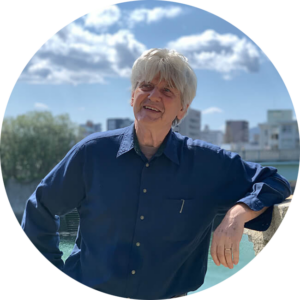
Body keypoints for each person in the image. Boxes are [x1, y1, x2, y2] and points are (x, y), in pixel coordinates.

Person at [20, 48, 291, 300]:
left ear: (182, 110)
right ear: (132, 96)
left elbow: (274, 182)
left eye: (167, 90)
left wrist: (237, 213)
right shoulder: (92, 153)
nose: (153, 96)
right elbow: (39, 208)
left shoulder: (207, 163)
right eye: (146, 86)